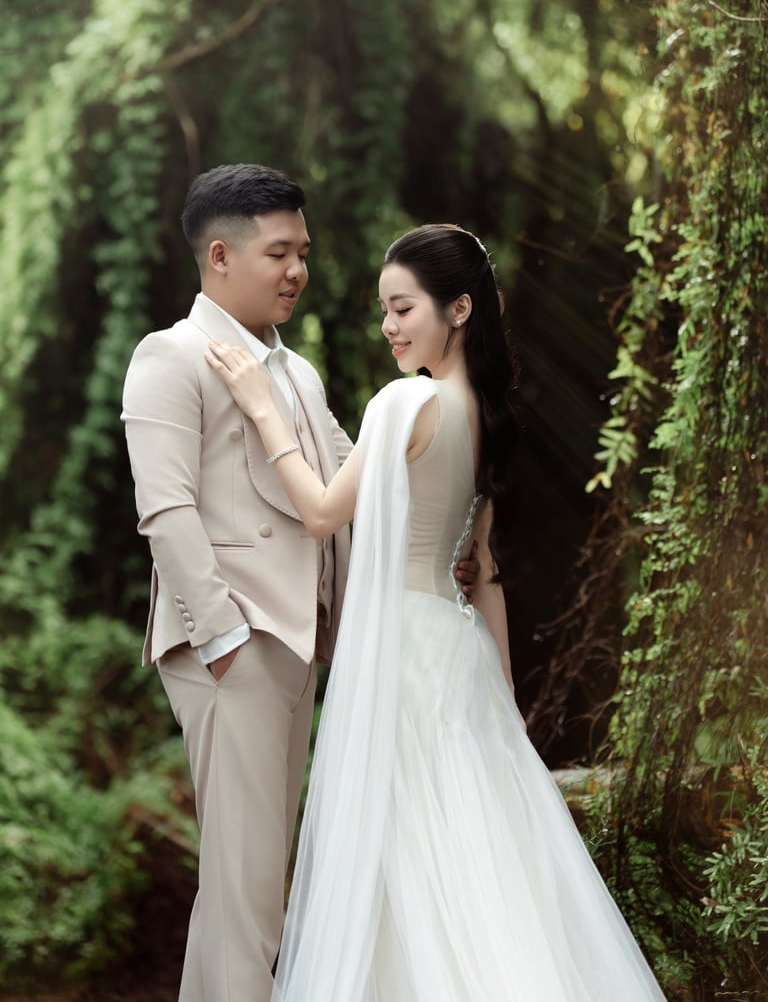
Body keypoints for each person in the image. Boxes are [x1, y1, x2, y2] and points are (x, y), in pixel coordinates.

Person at [205, 222, 669, 1002]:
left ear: (459, 308)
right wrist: (505, 695)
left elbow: (321, 512)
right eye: (383, 311)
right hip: (463, 653)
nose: (389, 327)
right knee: (470, 850)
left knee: (402, 853)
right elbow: (484, 574)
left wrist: (262, 409)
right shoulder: (485, 414)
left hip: (404, 650)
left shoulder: (405, 401)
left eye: (403, 309)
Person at [122, 166, 476, 1001]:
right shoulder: (169, 356)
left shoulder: (298, 373)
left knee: (248, 883)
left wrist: (447, 537)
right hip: (235, 646)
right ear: (220, 255)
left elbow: (363, 477)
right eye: (279, 253)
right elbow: (165, 512)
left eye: (303, 253)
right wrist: (222, 638)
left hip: (300, 643)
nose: (297, 271)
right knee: (250, 895)